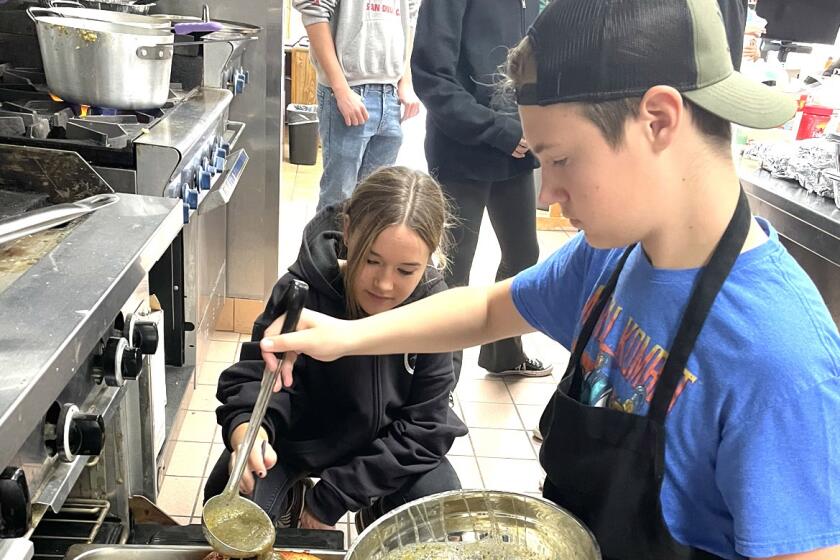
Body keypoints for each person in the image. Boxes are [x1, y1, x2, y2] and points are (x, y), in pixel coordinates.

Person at [259, 0, 840, 558]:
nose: (548, 194)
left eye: (559, 159)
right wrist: (341, 336)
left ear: (658, 120)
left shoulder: (778, 360)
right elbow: (489, 311)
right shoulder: (610, 258)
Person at [205, 167, 466, 533]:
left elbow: (427, 425)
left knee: (440, 517)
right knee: (230, 501)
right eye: (371, 260)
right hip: (299, 440)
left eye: (407, 270)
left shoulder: (435, 312)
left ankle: (378, 513)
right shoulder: (301, 291)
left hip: (389, 447)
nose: (385, 284)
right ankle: (287, 504)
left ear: (431, 255)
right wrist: (250, 434)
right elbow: (257, 378)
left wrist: (331, 500)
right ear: (347, 231)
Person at [410, 0, 552, 380]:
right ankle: (440, 382)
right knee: (454, 271)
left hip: (516, 152)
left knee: (523, 257)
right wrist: (497, 129)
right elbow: (431, 77)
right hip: (462, 149)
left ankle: (503, 353)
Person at [293, 0, 422, 211]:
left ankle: (357, 246)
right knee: (337, 201)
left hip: (390, 95)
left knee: (375, 202)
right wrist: (341, 89)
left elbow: (409, 16)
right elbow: (314, 11)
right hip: (349, 92)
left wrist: (405, 80)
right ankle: (329, 246)